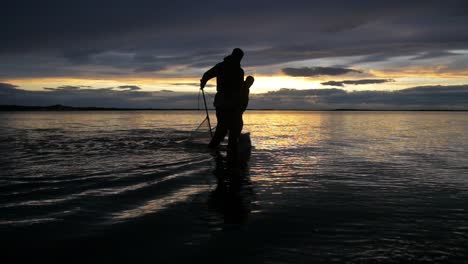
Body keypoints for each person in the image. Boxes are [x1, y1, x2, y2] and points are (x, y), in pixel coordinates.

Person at [200, 48, 244, 156]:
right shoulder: (222, 66)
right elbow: (207, 75)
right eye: (238, 57)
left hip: (233, 105)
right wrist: (203, 83)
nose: (239, 60)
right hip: (224, 104)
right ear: (235, 56)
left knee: (235, 128)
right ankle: (213, 150)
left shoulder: (239, 70)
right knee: (223, 129)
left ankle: (231, 151)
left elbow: (240, 88)